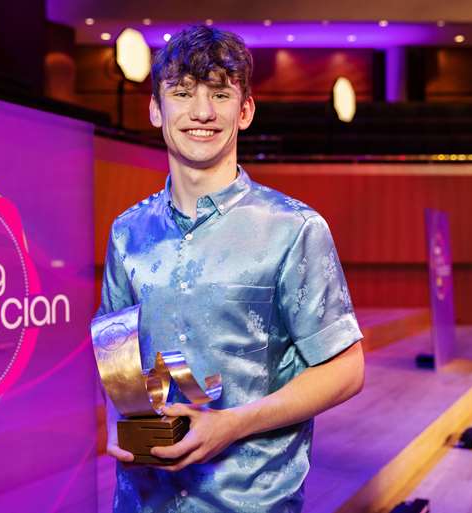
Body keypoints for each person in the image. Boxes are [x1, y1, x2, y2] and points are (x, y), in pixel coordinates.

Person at [95, 25, 365, 513]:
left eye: (220, 94)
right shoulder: (126, 232)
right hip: (141, 499)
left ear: (245, 111)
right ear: (156, 109)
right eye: (182, 94)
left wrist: (232, 424)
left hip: (249, 501)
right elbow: (117, 358)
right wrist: (122, 420)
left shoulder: (294, 228)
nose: (202, 112)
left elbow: (346, 369)